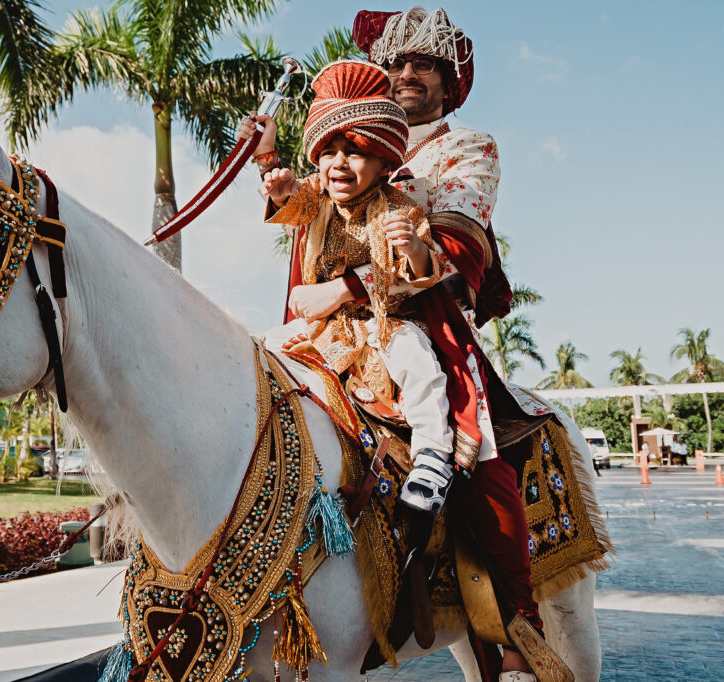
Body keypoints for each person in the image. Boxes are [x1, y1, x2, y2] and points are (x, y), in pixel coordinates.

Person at [244, 7, 552, 678]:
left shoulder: (469, 148)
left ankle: (519, 628)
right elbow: (302, 203)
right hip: (326, 335)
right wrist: (270, 161)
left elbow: (454, 245)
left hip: (425, 322)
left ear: (449, 83)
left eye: (424, 65)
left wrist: (342, 289)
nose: (407, 73)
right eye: (397, 64)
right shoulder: (342, 146)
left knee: (480, 453)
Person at [254, 59, 458, 514]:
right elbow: (289, 201)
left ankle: (431, 461)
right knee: (257, 351)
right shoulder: (317, 198)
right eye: (329, 152)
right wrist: (273, 168)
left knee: (418, 362)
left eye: (355, 151)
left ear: (385, 163)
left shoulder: (398, 208)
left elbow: (419, 272)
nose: (339, 163)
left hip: (383, 329)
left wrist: (415, 249)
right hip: (321, 331)